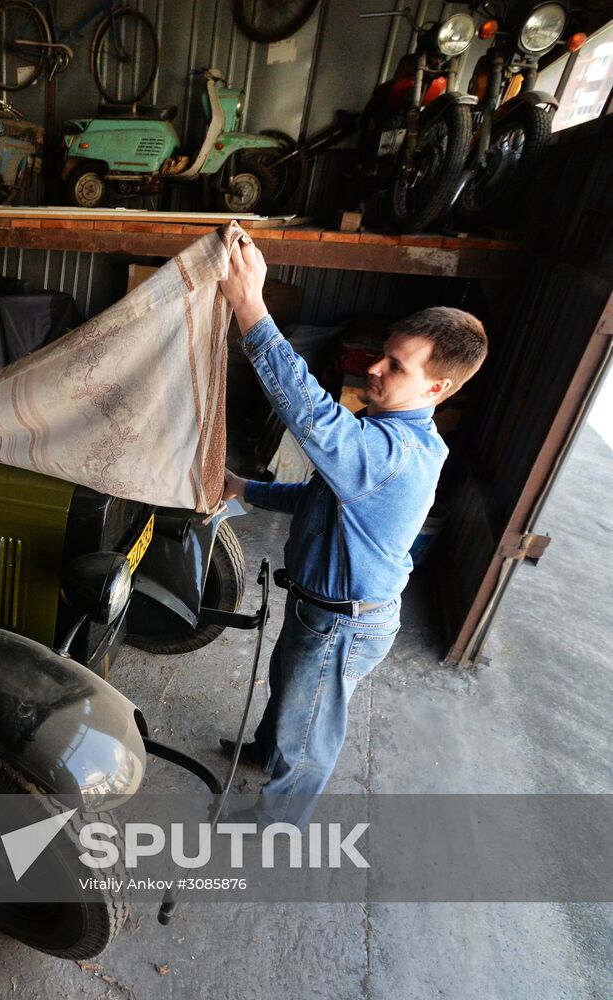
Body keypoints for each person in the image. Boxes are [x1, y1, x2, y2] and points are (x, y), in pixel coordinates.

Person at [217, 234, 487, 822]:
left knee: (309, 729)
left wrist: (251, 311)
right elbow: (320, 499)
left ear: (436, 388)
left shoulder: (392, 451)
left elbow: (311, 416)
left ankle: (277, 822)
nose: (373, 366)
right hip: (321, 608)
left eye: (396, 365)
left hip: (342, 623)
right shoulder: (386, 436)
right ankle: (266, 755)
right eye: (382, 352)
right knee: (290, 693)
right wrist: (246, 488)